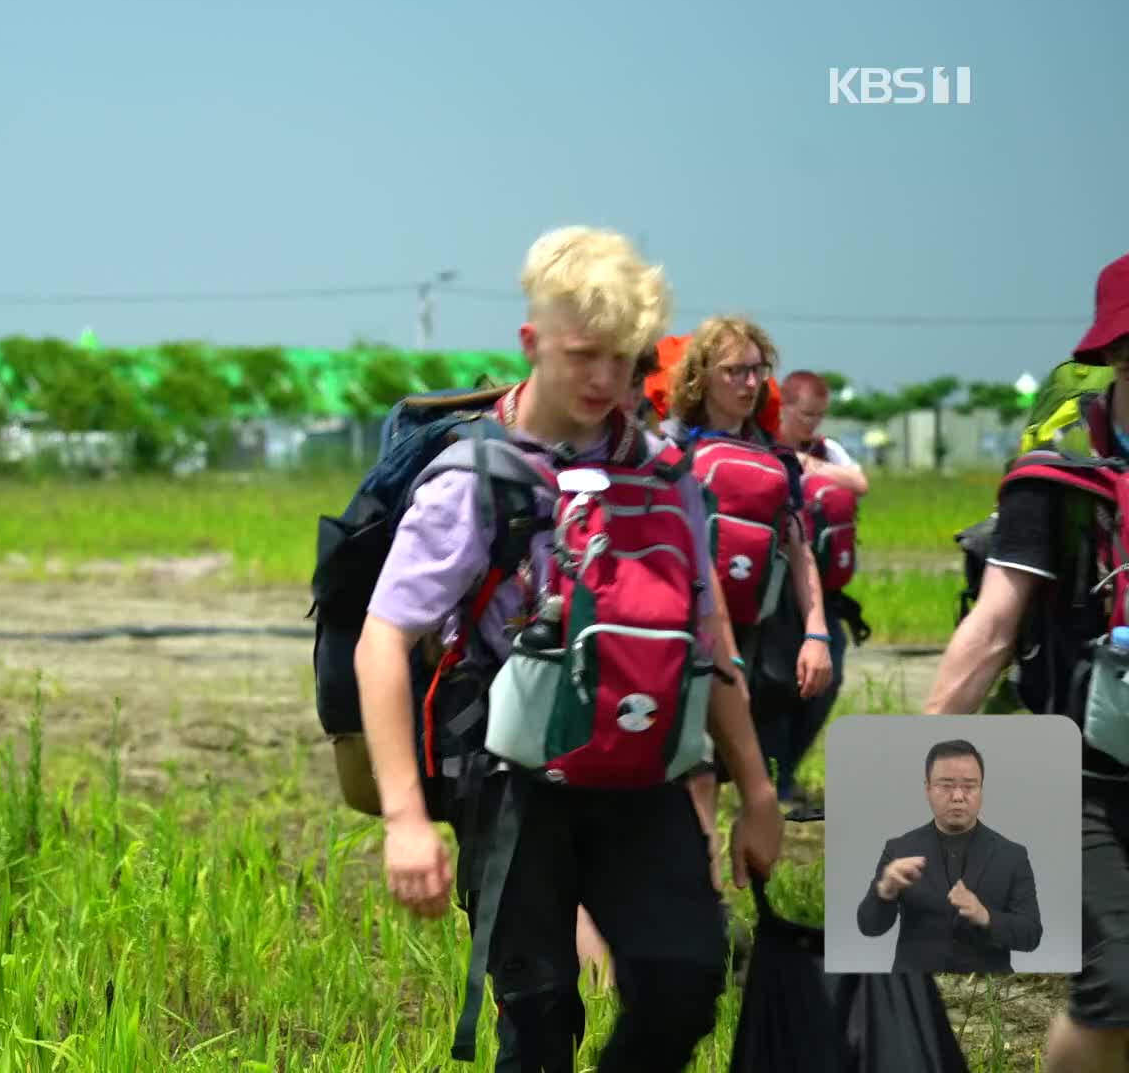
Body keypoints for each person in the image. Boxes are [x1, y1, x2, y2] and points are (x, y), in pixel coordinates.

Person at [355, 227, 781, 1070]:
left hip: (644, 773)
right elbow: (383, 638)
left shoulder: (663, 475)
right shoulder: (475, 477)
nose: (602, 380)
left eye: (621, 359)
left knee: (686, 980)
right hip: (513, 788)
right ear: (532, 343)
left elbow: (709, 635)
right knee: (540, 1015)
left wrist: (759, 790)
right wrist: (406, 819)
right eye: (582, 354)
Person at [925, 251, 1129, 1071]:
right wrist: (917, 755)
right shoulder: (1057, 479)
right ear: (1119, 353)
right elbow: (994, 625)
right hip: (1080, 775)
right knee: (1117, 981)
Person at [663, 320, 835, 797]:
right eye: (735, 370)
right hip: (682, 627)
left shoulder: (776, 458)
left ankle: (715, 863)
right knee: (687, 762)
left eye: (758, 370)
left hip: (753, 628)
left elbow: (798, 546)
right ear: (702, 376)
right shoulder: (668, 447)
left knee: (717, 765)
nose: (750, 383)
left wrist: (816, 632)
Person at [855, 738, 1042, 973]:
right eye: (946, 785)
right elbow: (869, 927)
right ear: (927, 789)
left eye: (969, 786)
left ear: (981, 789)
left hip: (988, 995)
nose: (957, 796)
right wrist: (885, 891)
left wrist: (985, 916)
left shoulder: (1012, 855)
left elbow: (1032, 935)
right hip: (919, 988)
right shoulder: (899, 850)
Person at [771, 370, 870, 805]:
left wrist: (810, 465)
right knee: (774, 685)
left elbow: (860, 483)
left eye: (819, 415)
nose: (812, 423)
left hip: (821, 592)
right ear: (784, 407)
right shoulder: (764, 443)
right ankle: (772, 779)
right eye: (805, 414)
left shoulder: (826, 449)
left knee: (824, 682)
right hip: (773, 592)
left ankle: (785, 771)